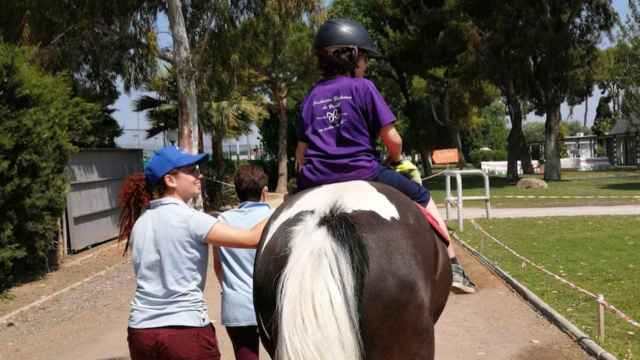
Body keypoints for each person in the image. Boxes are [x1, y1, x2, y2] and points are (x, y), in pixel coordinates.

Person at [295, 18, 476, 294]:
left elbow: (300, 154)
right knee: (422, 197)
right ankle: (454, 267)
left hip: (315, 178)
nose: (366, 64)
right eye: (365, 57)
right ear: (353, 56)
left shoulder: (310, 97)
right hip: (362, 171)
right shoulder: (363, 87)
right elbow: (393, 139)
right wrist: (395, 158)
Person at [117, 146, 267, 360]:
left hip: (141, 331)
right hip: (184, 331)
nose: (200, 175)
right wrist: (287, 207)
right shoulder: (191, 219)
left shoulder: (141, 223)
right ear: (170, 180)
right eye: (191, 170)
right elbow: (252, 239)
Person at [212, 164, 272, 360]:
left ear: (237, 193)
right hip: (273, 304)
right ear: (265, 192)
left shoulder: (222, 220)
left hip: (236, 305)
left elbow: (218, 267)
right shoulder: (276, 219)